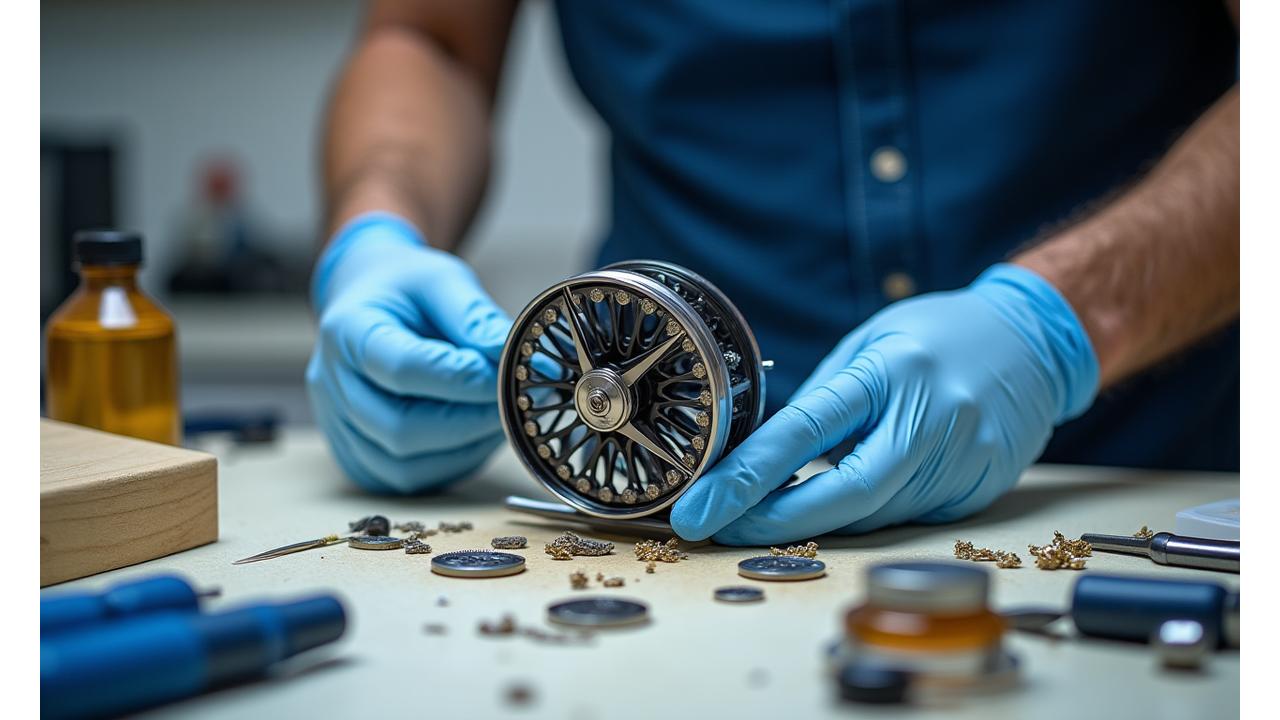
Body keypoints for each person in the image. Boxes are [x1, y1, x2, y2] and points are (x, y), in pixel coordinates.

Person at [307, 1, 1239, 545]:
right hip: (647, 493)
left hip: (1129, 479)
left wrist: (1059, 325)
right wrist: (375, 232)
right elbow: (429, 38)